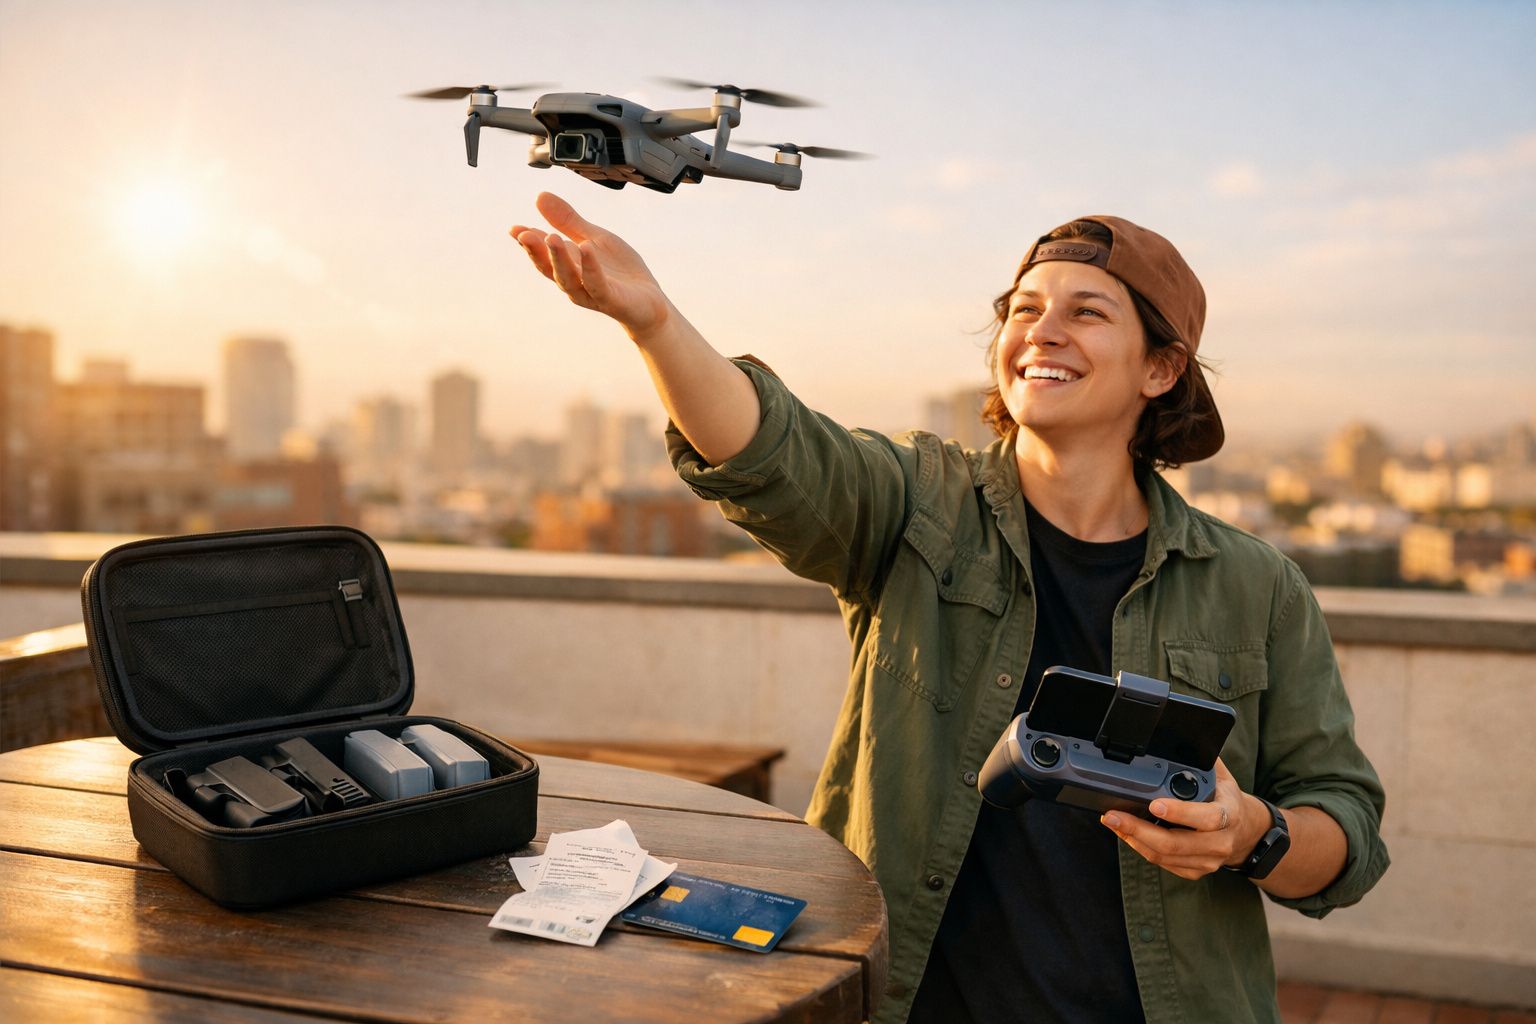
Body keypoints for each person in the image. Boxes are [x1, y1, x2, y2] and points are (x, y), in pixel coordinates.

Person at [510, 193, 1389, 1024]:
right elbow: (777, 454)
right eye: (1023, 309)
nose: (1040, 331)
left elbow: (1346, 830)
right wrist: (656, 324)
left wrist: (1248, 833)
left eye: (1086, 312)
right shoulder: (920, 504)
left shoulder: (1258, 586)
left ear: (1161, 368)